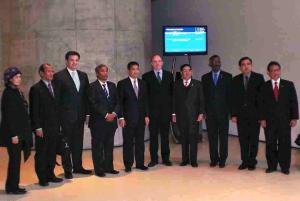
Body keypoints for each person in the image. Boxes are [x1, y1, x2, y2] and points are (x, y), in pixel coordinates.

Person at [54, 51, 92, 179]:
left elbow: (87, 97)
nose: (74, 62)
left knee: (78, 143)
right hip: (65, 117)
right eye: (72, 60)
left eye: (76, 60)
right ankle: (68, 169)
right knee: (66, 144)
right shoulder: (59, 76)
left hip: (80, 116)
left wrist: (87, 113)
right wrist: (58, 119)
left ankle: (78, 167)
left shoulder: (83, 75)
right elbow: (57, 99)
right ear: (66, 61)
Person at [259, 61, 299, 175]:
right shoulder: (264, 86)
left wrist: (294, 118)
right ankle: (271, 166)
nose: (275, 73)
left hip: (285, 121)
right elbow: (261, 104)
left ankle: (285, 167)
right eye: (272, 70)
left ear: (280, 71)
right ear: (268, 72)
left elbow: (294, 102)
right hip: (269, 121)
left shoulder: (288, 85)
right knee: (270, 143)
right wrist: (262, 119)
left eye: (277, 70)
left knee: (285, 144)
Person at [29, 63, 63, 186]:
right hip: (42, 128)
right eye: (48, 71)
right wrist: (37, 127)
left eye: (52, 71)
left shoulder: (55, 86)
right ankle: (42, 178)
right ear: (41, 73)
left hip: (54, 126)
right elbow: (34, 110)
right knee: (42, 153)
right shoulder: (36, 89)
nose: (51, 73)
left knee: (52, 152)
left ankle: (50, 174)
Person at [0, 67, 32, 194]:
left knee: (16, 160)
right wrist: (14, 135)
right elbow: (9, 117)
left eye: (19, 76)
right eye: (16, 77)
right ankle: (12, 187)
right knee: (14, 161)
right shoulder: (8, 93)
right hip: (13, 134)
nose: (19, 79)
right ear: (9, 79)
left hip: (19, 132)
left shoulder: (16, 91)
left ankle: (13, 185)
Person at [231, 57, 265, 171]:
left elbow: (262, 99)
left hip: (255, 115)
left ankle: (252, 161)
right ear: (240, 67)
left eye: (248, 64)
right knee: (243, 139)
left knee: (254, 139)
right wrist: (233, 114)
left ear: (251, 65)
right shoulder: (235, 80)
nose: (246, 66)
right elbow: (233, 99)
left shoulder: (259, 78)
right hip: (241, 115)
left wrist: (261, 116)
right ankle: (244, 161)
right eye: (243, 64)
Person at [88, 64, 120, 177]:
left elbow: (118, 102)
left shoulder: (112, 85)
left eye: (106, 71)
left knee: (109, 146)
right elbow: (93, 104)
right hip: (98, 122)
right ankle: (99, 169)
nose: (105, 73)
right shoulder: (92, 86)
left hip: (111, 122)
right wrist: (106, 114)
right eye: (102, 71)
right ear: (97, 73)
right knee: (98, 147)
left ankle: (109, 167)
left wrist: (114, 114)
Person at [117, 61, 150, 172]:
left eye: (137, 69)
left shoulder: (143, 83)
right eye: (133, 69)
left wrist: (146, 115)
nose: (135, 71)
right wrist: (121, 117)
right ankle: (128, 164)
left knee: (140, 142)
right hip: (128, 119)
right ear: (128, 70)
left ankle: (140, 163)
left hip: (141, 118)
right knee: (128, 142)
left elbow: (145, 101)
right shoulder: (122, 84)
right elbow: (119, 102)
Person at [142, 54, 173, 167]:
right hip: (153, 113)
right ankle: (154, 159)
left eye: (159, 61)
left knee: (165, 136)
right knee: (153, 137)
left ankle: (166, 159)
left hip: (165, 112)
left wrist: (172, 112)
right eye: (154, 61)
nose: (157, 63)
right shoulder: (146, 76)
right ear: (151, 63)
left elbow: (171, 95)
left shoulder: (169, 75)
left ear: (162, 63)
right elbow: (145, 97)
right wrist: (146, 114)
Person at [202, 55, 232, 168]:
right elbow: (203, 96)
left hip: (224, 113)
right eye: (214, 62)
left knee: (223, 137)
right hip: (210, 114)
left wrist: (231, 112)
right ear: (210, 64)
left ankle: (223, 159)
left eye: (218, 61)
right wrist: (203, 111)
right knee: (212, 137)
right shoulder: (205, 78)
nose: (217, 63)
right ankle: (214, 159)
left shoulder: (228, 76)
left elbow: (230, 96)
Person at [172, 64, 204, 167]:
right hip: (181, 116)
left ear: (191, 72)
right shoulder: (176, 84)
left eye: (188, 70)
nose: (186, 72)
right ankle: (185, 159)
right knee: (184, 138)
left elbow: (202, 100)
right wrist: (173, 113)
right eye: (184, 70)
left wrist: (201, 113)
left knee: (193, 138)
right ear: (181, 73)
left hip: (194, 116)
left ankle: (193, 160)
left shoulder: (198, 84)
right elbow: (173, 100)